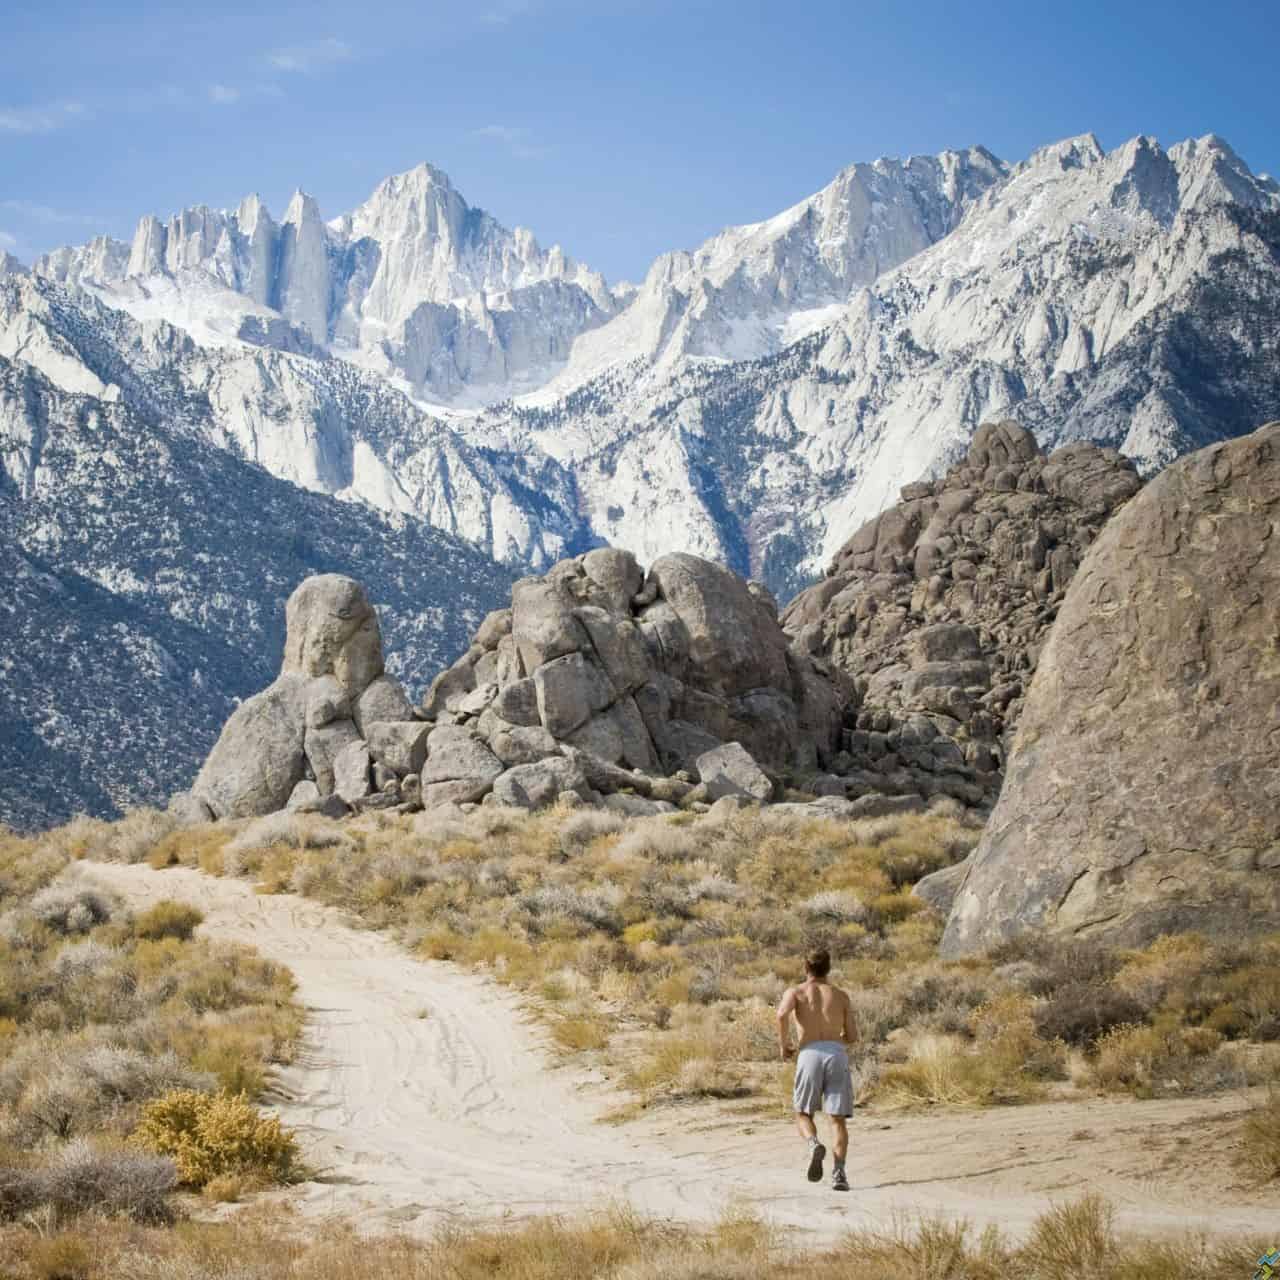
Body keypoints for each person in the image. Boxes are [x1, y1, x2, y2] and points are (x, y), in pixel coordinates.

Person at [776, 947, 857, 1192]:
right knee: (837, 1119)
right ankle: (839, 1173)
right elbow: (852, 1036)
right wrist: (837, 1037)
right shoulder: (841, 995)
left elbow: (781, 1015)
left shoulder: (797, 992)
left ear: (806, 968)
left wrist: (784, 1045)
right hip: (835, 1053)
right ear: (828, 968)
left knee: (803, 1112)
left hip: (809, 1052)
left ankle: (813, 1144)